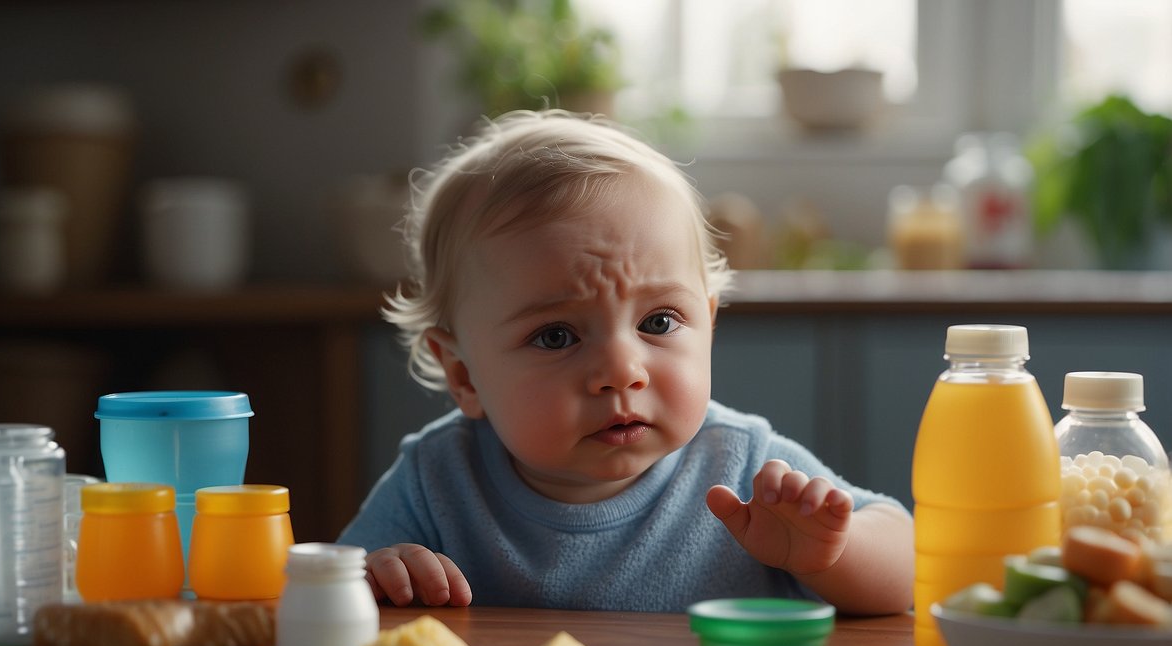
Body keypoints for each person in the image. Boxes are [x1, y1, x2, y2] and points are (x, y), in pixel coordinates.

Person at [339, 109, 914, 615]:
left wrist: (828, 554)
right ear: (463, 374)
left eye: (658, 322)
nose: (622, 371)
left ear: (707, 324)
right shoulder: (438, 481)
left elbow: (907, 563)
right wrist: (380, 577)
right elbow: (327, 589)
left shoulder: (743, 467)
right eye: (556, 336)